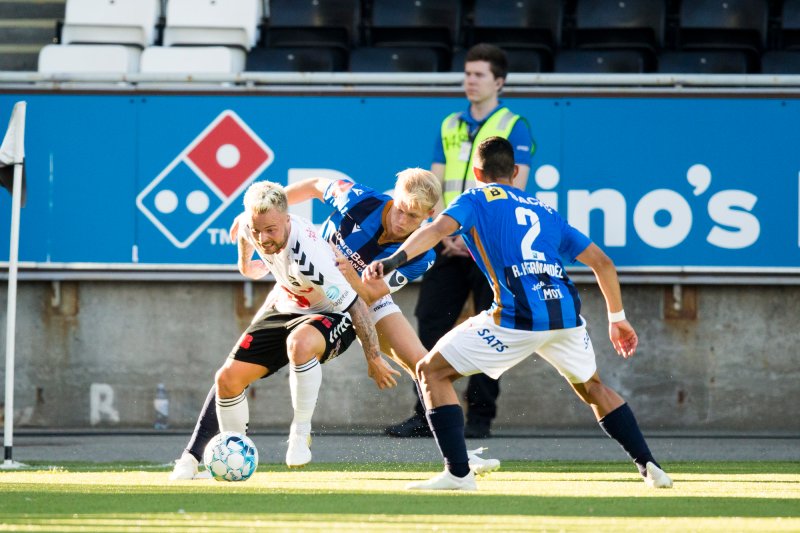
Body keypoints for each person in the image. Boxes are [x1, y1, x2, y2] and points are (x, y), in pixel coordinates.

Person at [365, 137, 673, 491]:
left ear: (477, 172)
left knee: (430, 371)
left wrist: (392, 260)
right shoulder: (545, 209)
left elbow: (435, 230)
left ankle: (458, 474)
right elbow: (603, 263)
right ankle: (650, 466)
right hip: (565, 315)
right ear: (514, 172)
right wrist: (617, 319)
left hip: (516, 317)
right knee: (593, 387)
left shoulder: (475, 199)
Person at [170, 170, 500, 479]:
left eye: (413, 217)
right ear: (393, 197)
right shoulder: (359, 198)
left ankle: (463, 457)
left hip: (361, 301)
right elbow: (315, 185)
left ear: (428, 217)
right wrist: (269, 208)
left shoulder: (421, 255)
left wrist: (350, 277)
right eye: (400, 209)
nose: (402, 221)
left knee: (425, 366)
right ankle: (191, 456)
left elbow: (371, 292)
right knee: (233, 369)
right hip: (300, 288)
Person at [188, 180, 399, 477]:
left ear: (287, 219)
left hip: (332, 312)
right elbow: (247, 246)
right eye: (257, 229)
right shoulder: (252, 226)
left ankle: (300, 433)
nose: (263, 237)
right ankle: (233, 456)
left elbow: (356, 306)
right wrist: (248, 266)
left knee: (299, 345)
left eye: (271, 230)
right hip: (288, 304)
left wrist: (374, 357)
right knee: (227, 379)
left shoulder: (311, 254)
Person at [385, 43, 534, 439]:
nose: (470, 80)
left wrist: (470, 235)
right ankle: (426, 412)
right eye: (467, 73)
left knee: (494, 330)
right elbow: (431, 188)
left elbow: (515, 188)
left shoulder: (514, 124)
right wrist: (443, 230)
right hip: (447, 243)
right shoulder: (450, 123)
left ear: (499, 81)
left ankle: (480, 419)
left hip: (490, 244)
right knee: (430, 320)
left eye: (479, 74)